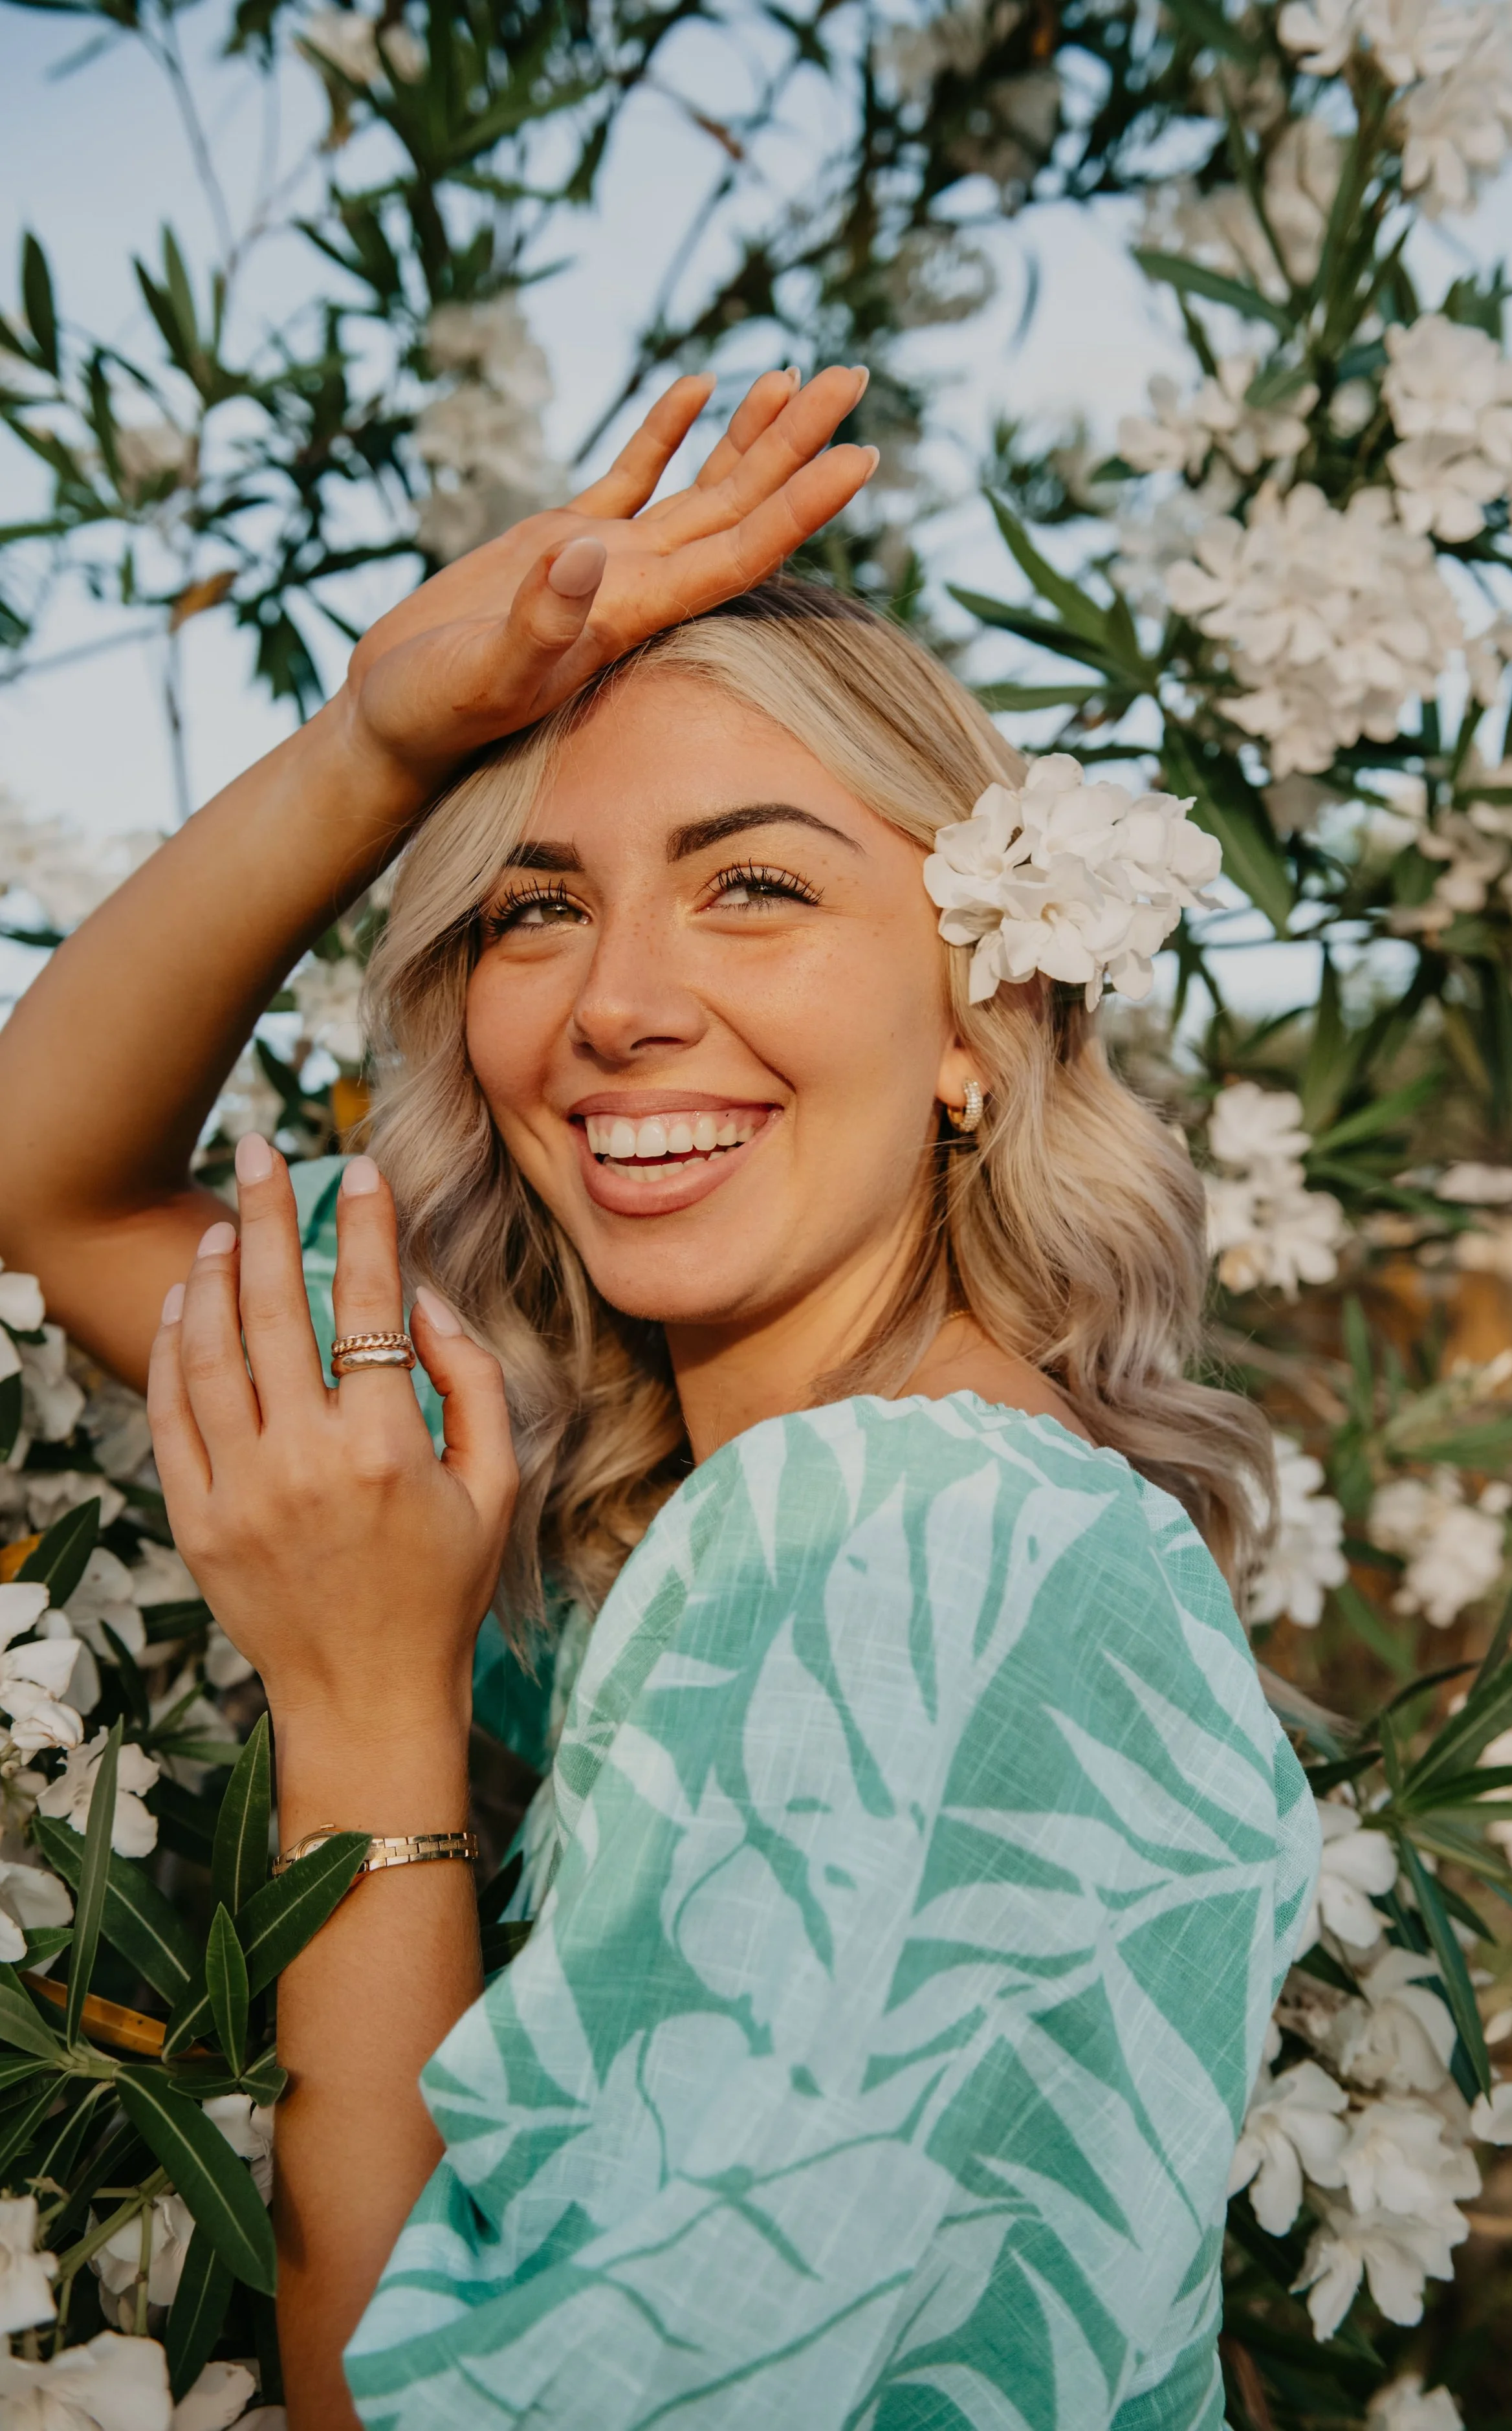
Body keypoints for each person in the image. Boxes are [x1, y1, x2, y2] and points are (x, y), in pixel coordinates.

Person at [0, 361, 1319, 2431]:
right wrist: (373, 736)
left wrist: (362, 1711)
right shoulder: (655, 1489)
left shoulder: (898, 1549)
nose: (618, 1003)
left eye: (756, 884)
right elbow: (46, 1191)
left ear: (987, 1010)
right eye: (536, 905)